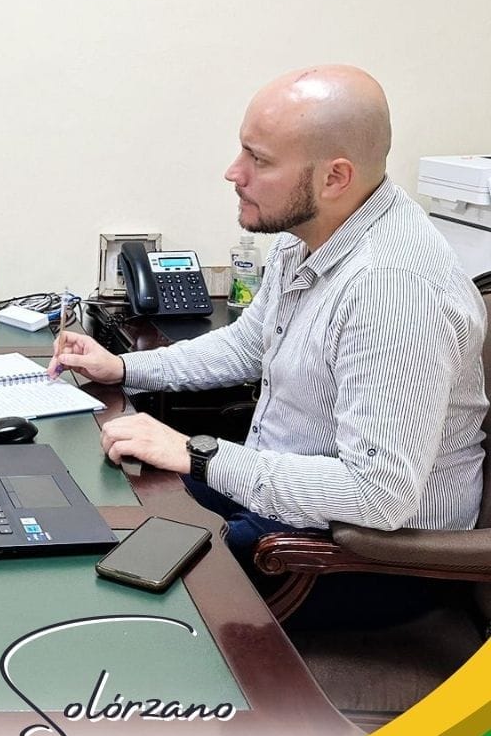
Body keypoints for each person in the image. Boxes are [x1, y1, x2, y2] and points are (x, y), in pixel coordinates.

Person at [50, 64, 487, 587]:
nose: (234, 173)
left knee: (98, 572)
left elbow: (377, 494)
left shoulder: (393, 290)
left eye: (258, 159)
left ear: (334, 178)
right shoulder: (309, 233)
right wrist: (124, 367)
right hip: (285, 500)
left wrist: (195, 453)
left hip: (362, 553)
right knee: (94, 495)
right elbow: (247, 345)